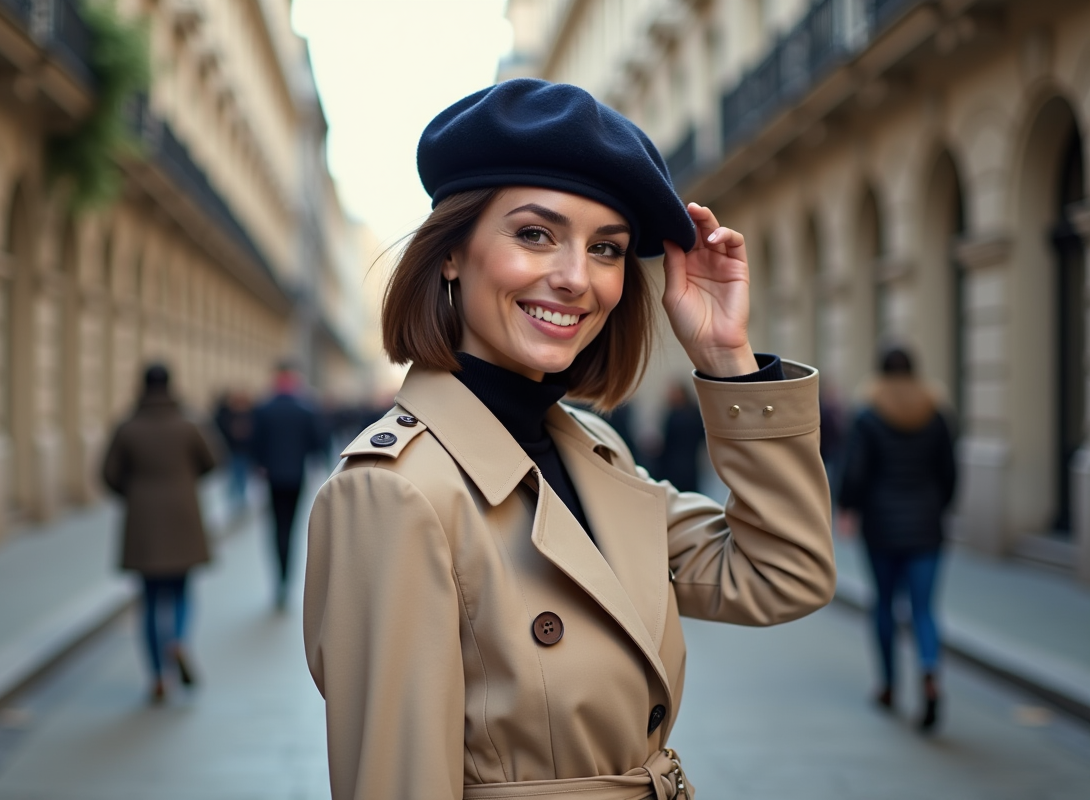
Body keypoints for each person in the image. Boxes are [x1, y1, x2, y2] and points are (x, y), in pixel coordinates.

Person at [303, 79, 835, 800]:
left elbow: (783, 573)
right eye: (534, 234)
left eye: (608, 249)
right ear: (452, 252)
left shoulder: (592, 450)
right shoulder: (392, 491)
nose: (576, 279)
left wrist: (725, 358)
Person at [838, 347, 956, 732]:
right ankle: (930, 673)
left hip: (882, 526)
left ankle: (889, 685)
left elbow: (854, 472)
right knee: (923, 609)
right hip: (926, 526)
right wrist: (938, 507)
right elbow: (950, 473)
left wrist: (848, 508)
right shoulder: (935, 416)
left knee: (884, 605)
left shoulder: (869, 416)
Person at [102, 364, 217, 704]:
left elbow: (108, 474)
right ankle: (178, 641)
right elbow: (212, 461)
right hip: (183, 517)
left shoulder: (127, 427)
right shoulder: (188, 424)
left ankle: (156, 676)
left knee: (150, 599)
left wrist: (134, 493)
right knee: (181, 590)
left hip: (143, 522)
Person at [252, 362, 323, 611]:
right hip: (296, 476)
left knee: (276, 529)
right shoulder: (306, 408)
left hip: (272, 477)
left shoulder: (264, 408)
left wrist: (261, 464)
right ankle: (286, 581)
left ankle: (279, 581)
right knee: (291, 530)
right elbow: (317, 443)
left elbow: (255, 444)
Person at [656, 381, 705, 493]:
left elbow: (667, 441)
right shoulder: (695, 414)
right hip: (691, 464)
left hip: (674, 465)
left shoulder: (674, 416)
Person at [214, 390, 255, 516]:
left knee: (241, 476)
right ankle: (234, 500)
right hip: (232, 450)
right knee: (233, 476)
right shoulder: (228, 413)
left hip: (244, 450)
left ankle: (240, 500)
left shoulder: (250, 413)